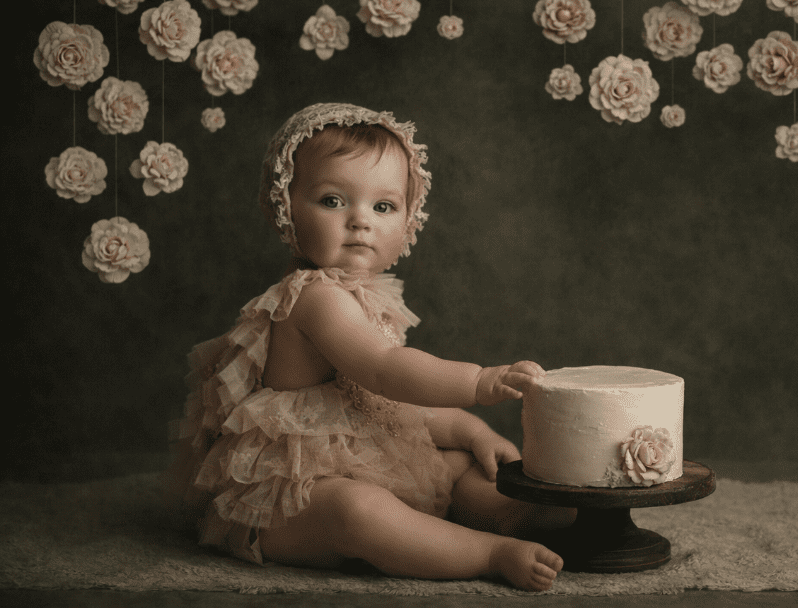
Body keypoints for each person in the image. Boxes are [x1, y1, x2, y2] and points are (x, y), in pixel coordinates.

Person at [164, 103, 574, 591]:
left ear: (409, 219)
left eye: (383, 207)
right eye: (333, 201)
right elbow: (385, 370)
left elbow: (387, 405)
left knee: (457, 466)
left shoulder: (367, 299)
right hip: (288, 497)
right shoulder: (314, 298)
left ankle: (511, 515)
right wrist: (480, 381)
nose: (360, 221)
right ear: (286, 207)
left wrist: (470, 431)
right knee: (357, 509)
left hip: (361, 461)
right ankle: (488, 552)